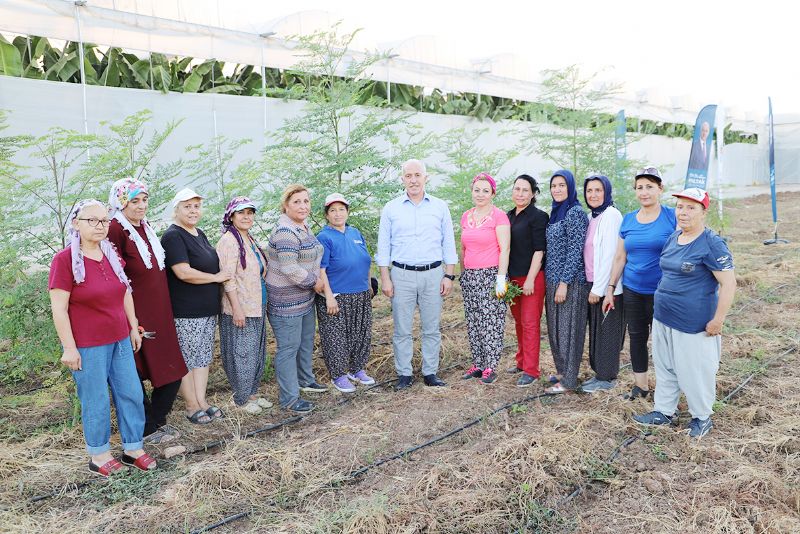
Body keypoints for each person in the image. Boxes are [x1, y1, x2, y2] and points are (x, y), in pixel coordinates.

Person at [49, 200, 156, 475]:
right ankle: (99, 455)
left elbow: (125, 292)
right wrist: (69, 348)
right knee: (95, 398)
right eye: (92, 220)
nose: (100, 226)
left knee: (131, 392)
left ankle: (133, 448)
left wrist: (133, 326)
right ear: (76, 224)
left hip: (119, 338)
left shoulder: (111, 253)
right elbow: (59, 309)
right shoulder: (65, 260)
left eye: (104, 220)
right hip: (88, 345)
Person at [634, 188, 735, 438]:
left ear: (703, 212)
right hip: (664, 316)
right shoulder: (674, 237)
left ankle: (702, 417)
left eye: (691, 207)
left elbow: (729, 283)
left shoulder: (711, 243)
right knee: (666, 367)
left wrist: (718, 320)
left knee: (694, 371)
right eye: (680, 207)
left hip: (693, 323)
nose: (684, 212)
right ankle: (664, 411)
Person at [106, 178, 188, 444]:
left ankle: (157, 420)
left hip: (160, 309)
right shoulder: (116, 229)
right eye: (134, 201)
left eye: (144, 200)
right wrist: (130, 321)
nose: (141, 206)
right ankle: (147, 428)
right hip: (136, 312)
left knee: (171, 369)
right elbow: (115, 275)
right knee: (134, 372)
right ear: (121, 202)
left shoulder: (145, 227)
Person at [376, 159, 458, 390]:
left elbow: (448, 243)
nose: (413, 180)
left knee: (431, 327)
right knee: (402, 328)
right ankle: (404, 374)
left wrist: (448, 276)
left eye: (417, 175)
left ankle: (430, 372)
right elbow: (384, 247)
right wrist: (385, 278)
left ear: (425, 177)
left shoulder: (440, 206)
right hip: (401, 275)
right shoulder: (391, 208)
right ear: (402, 179)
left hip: (433, 274)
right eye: (408, 176)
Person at [603, 167, 676, 399]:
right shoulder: (628, 219)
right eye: (640, 188)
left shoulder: (672, 217)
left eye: (650, 187)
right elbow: (620, 257)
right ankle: (641, 387)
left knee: (664, 341)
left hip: (663, 292)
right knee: (636, 336)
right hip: (634, 289)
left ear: (660, 189)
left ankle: (668, 390)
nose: (644, 192)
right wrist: (610, 288)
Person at [161, 188, 229, 424]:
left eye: (196, 206)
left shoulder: (198, 233)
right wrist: (216, 278)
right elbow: (183, 272)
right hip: (186, 312)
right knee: (187, 360)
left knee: (202, 358)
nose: (193, 211)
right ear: (176, 209)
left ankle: (202, 401)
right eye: (187, 206)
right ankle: (191, 406)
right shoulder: (173, 236)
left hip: (206, 310)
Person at [266, 184, 328, 413]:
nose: (303, 206)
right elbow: (290, 267)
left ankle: (306, 380)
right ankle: (290, 399)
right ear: (285, 206)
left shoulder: (302, 226)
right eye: (297, 202)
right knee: (288, 348)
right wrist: (315, 282)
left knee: (304, 343)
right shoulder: (285, 231)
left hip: (304, 298)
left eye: (306, 201)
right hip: (286, 302)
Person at [216, 196, 273, 415]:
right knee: (242, 353)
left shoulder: (249, 238)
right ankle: (241, 397)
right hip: (240, 307)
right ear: (231, 216)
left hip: (257, 303)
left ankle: (251, 393)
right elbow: (227, 277)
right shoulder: (229, 241)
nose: (247, 217)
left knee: (256, 352)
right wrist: (237, 309)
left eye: (250, 213)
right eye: (241, 213)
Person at [315, 193, 376, 393]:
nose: (338, 214)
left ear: (347, 212)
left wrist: (368, 285)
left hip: (360, 292)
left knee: (360, 333)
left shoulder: (355, 233)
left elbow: (365, 261)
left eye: (341, 209)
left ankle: (356, 369)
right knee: (336, 337)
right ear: (327, 215)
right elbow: (321, 270)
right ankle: (339, 375)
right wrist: (329, 296)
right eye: (333, 210)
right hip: (337, 295)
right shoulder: (324, 237)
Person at [459, 173, 510, 384]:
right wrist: (463, 274)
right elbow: (463, 247)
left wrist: (500, 278)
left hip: (491, 274)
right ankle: (478, 363)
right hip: (470, 276)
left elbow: (505, 248)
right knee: (474, 320)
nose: (480, 194)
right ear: (472, 191)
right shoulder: (465, 216)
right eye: (477, 190)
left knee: (491, 320)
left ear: (492, 193)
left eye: (485, 191)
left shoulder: (499, 216)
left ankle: (491, 366)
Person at [544, 170, 589, 394]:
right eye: (554, 186)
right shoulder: (555, 213)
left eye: (562, 185)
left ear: (570, 188)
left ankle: (570, 380)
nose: (557, 189)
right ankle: (562, 372)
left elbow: (575, 250)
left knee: (569, 331)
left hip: (570, 282)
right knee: (555, 330)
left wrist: (564, 282)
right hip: (551, 279)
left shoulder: (575, 213)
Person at [580, 174, 624, 393]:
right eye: (589, 191)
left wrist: (600, 288)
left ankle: (607, 379)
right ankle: (599, 374)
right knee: (597, 330)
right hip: (591, 283)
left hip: (608, 288)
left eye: (598, 190)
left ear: (606, 192)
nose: (593, 195)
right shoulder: (591, 216)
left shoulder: (611, 215)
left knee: (608, 331)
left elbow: (610, 255)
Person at [505, 174, 548, 387]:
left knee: (530, 324)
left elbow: (539, 250)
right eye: (517, 189)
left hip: (532, 278)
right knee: (520, 323)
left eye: (525, 190)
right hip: (512, 279)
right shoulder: (508, 216)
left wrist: (530, 279)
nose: (520, 193)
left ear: (532, 194)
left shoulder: (538, 217)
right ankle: (521, 362)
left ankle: (531, 370)